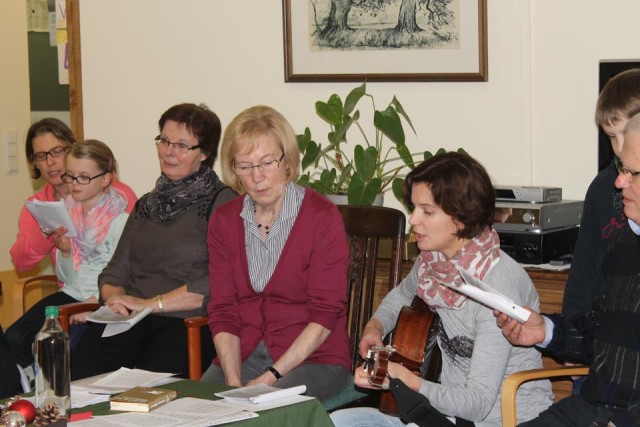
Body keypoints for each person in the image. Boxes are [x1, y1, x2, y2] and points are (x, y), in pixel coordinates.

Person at [331, 152, 553, 426]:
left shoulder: (497, 286)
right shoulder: (432, 263)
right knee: (342, 421)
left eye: (427, 211)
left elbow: (478, 404)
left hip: (506, 419)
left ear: (460, 219)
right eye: (414, 208)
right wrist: (374, 327)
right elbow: (401, 294)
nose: (412, 219)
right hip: (448, 414)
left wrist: (409, 382)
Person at [70, 103, 237, 380]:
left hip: (187, 325)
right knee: (81, 380)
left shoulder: (223, 203)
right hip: (129, 319)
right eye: (165, 140)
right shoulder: (146, 205)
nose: (169, 151)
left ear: (205, 154)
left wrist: (151, 304)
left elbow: (220, 279)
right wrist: (116, 300)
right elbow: (115, 271)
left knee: (144, 394)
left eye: (182, 145)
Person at [495, 113, 640, 426]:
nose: (618, 182)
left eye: (632, 172)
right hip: (590, 409)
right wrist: (545, 330)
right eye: (621, 169)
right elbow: (600, 332)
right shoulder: (626, 242)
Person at [201, 105, 351, 401]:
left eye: (267, 162)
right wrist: (232, 381)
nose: (258, 177)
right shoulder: (224, 221)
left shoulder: (322, 217)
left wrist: (270, 377)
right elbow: (223, 309)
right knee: (198, 410)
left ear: (286, 161)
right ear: (234, 170)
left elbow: (324, 315)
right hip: (241, 356)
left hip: (313, 360)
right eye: (245, 166)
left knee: (266, 411)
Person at [6, 139, 129, 368]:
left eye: (83, 177)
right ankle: (29, 385)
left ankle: (46, 385)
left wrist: (95, 302)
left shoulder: (120, 221)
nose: (74, 183)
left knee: (58, 349)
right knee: (14, 336)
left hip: (100, 298)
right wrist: (64, 251)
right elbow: (70, 278)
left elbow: (124, 276)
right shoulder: (68, 212)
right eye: (70, 176)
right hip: (72, 293)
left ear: (105, 179)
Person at [10, 118, 136, 273]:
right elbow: (20, 262)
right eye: (41, 156)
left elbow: (139, 248)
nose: (50, 162)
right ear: (34, 162)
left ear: (72, 149)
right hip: (70, 289)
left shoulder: (117, 194)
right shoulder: (38, 205)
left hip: (114, 286)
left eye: (56, 151)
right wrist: (45, 232)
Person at [563, 68, 640, 319]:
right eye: (611, 137)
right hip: (603, 322)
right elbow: (585, 265)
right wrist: (572, 322)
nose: (618, 148)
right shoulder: (602, 188)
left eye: (625, 134)